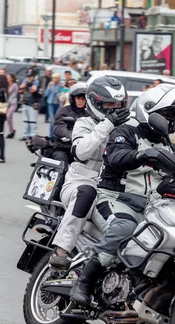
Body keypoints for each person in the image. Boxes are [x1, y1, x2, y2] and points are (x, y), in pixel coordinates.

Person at [69, 85, 175, 306]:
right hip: (115, 199)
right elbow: (116, 157)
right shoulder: (126, 131)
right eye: (169, 114)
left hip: (150, 207)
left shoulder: (166, 144)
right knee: (124, 229)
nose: (173, 120)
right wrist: (145, 155)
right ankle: (84, 282)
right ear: (149, 111)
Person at [47, 78, 129, 271]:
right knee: (86, 192)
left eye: (118, 104)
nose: (114, 108)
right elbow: (81, 151)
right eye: (109, 104)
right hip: (80, 183)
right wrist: (108, 123)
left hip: (113, 189)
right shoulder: (84, 123)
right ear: (96, 103)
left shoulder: (126, 126)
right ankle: (61, 250)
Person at [20, 69, 40, 141]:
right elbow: (20, 90)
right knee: (25, 120)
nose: (29, 78)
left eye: (30, 76)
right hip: (26, 103)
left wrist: (35, 90)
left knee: (33, 121)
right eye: (28, 76)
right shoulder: (25, 82)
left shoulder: (36, 83)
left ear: (33, 76)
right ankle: (26, 135)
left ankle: (33, 135)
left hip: (33, 104)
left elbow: (39, 94)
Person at [45, 72, 62, 137]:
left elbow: (62, 93)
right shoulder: (51, 85)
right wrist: (48, 87)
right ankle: (51, 135)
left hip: (58, 104)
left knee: (57, 120)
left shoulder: (61, 85)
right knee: (52, 120)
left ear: (58, 79)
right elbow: (46, 94)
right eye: (53, 78)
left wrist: (58, 94)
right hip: (51, 103)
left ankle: (56, 135)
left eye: (56, 78)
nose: (54, 79)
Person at [6, 74, 18, 139]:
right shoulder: (7, 85)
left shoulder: (14, 85)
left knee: (9, 115)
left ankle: (11, 131)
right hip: (8, 103)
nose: (7, 78)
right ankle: (11, 131)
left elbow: (8, 92)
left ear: (12, 78)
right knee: (8, 118)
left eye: (8, 77)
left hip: (13, 103)